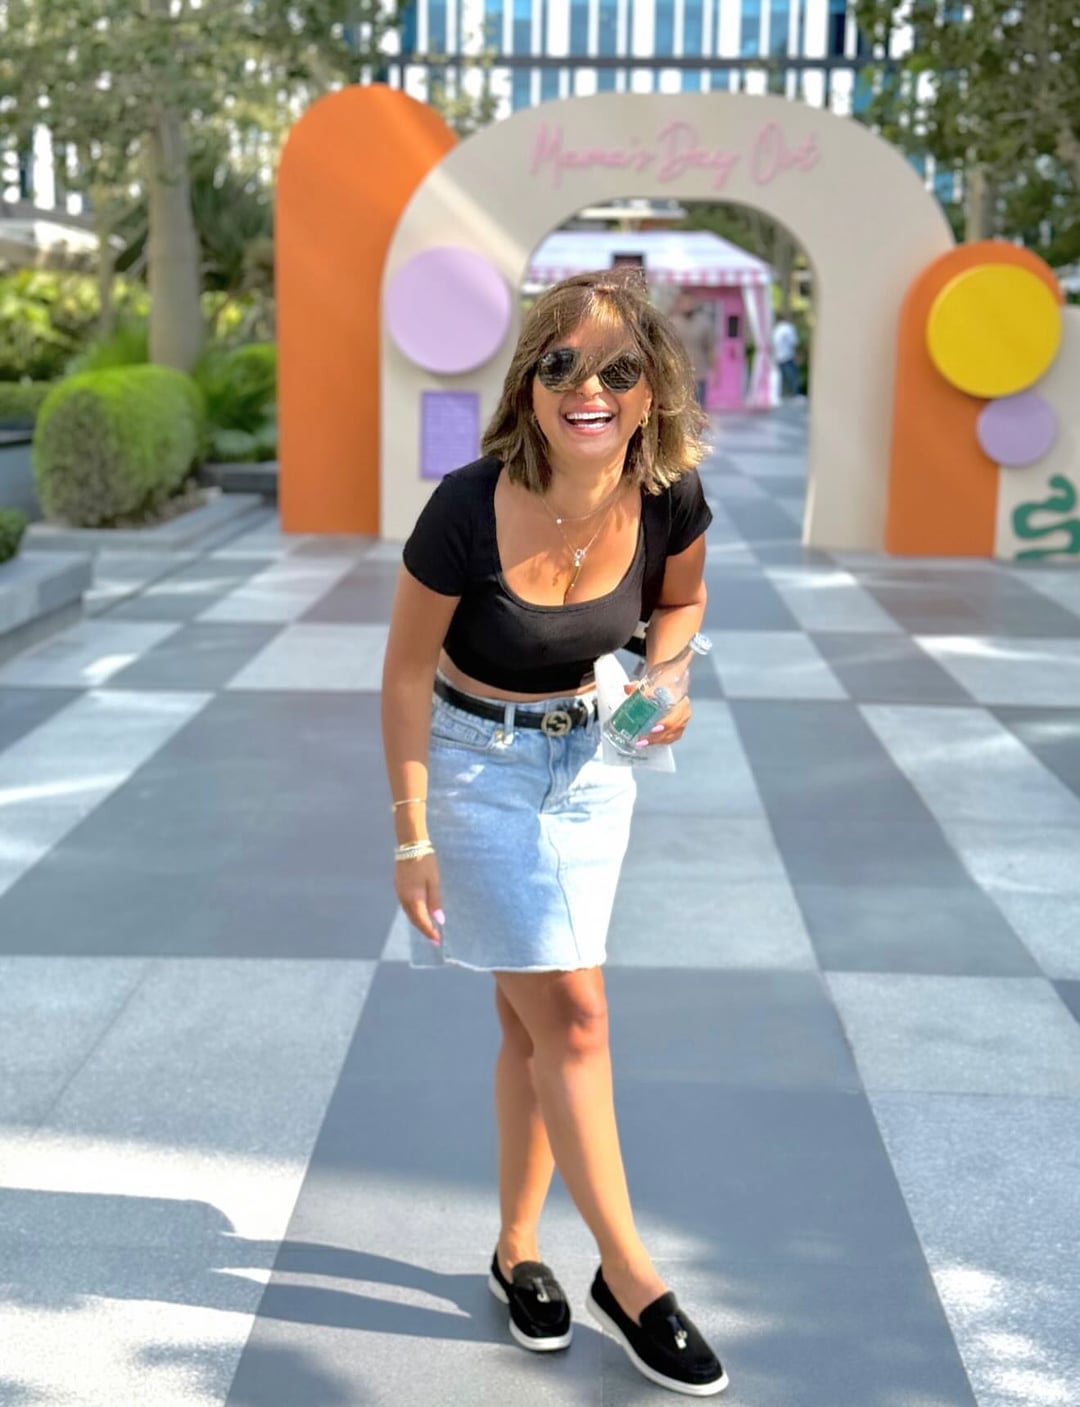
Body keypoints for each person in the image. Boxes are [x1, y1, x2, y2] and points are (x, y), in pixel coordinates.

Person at [381, 269, 728, 1398]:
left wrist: (667, 678)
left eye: (619, 369)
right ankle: (630, 1278)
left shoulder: (668, 495)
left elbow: (679, 604)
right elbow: (402, 672)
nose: (590, 388)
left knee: (530, 1019)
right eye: (562, 363)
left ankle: (516, 1250)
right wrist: (411, 836)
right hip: (476, 769)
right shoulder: (465, 506)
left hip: (592, 767)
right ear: (529, 383)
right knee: (574, 1012)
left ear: (651, 390)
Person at [668, 292, 714, 409]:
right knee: (681, 407)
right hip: (679, 373)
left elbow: (710, 348)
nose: (687, 305)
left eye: (690, 301)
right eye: (685, 302)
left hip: (700, 373)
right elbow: (668, 349)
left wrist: (715, 370)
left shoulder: (703, 323)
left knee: (699, 407)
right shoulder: (673, 322)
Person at [771, 315, 800, 399]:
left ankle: (783, 395)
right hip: (788, 356)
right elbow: (793, 343)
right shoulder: (789, 328)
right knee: (792, 376)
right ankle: (795, 394)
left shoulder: (776, 329)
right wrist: (796, 355)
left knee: (782, 378)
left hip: (778, 357)